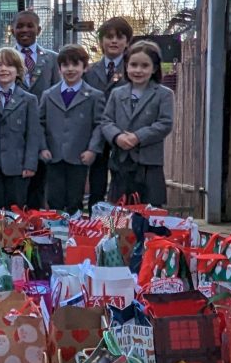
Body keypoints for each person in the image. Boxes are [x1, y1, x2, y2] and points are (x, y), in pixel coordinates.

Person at [100, 40, 174, 207]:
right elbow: (106, 121)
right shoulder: (117, 93)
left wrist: (137, 137)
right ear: (126, 66)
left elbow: (165, 123)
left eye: (144, 66)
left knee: (150, 210)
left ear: (154, 68)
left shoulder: (163, 94)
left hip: (149, 163)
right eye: (133, 65)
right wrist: (117, 137)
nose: (138, 70)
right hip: (121, 161)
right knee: (119, 210)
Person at [39, 44, 105, 215]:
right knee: (54, 200)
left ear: (85, 67)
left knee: (75, 200)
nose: (70, 69)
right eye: (65, 65)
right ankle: (54, 236)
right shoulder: (48, 95)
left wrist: (92, 149)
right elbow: (39, 123)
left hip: (79, 157)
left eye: (75, 64)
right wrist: (43, 147)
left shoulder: (94, 96)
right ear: (59, 68)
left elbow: (99, 125)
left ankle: (74, 236)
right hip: (54, 156)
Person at [11, 10, 60, 209]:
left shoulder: (52, 59)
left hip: (43, 133)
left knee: (39, 187)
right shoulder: (6, 59)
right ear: (12, 30)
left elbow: (56, 94)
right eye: (19, 26)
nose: (24, 30)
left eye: (29, 26)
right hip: (14, 133)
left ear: (38, 29)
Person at [0, 47, 43, 210]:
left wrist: (30, 164)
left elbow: (33, 134)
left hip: (18, 167)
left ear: (18, 71)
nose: (3, 69)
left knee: (16, 212)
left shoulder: (29, 100)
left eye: (9, 65)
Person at [84, 16, 132, 208]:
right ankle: (95, 220)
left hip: (122, 132)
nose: (114, 41)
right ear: (101, 41)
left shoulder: (132, 68)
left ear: (127, 42)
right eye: (109, 36)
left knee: (122, 178)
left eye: (120, 37)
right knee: (96, 180)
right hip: (96, 132)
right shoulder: (89, 71)